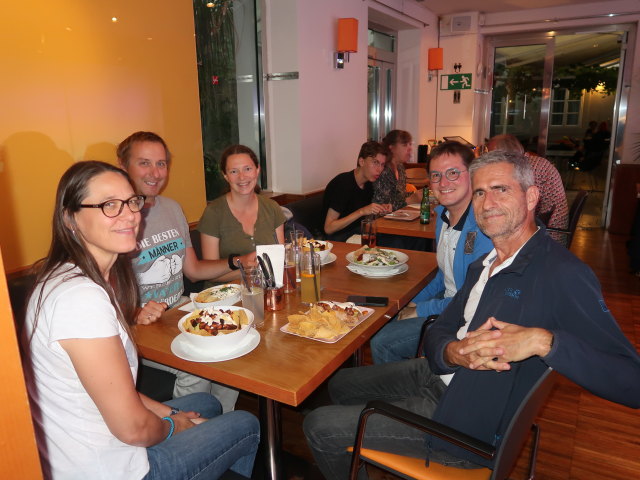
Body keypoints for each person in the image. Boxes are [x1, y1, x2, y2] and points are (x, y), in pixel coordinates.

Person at [303, 151, 640, 478]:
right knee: (341, 383)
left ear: (532, 196)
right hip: (445, 375)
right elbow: (444, 326)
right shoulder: (486, 263)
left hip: (462, 426)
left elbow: (631, 382)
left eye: (501, 189)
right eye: (480, 191)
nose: (487, 202)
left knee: (317, 425)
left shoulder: (560, 274)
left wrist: (545, 341)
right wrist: (451, 352)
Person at [21, 161, 259, 480]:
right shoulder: (79, 300)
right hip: (111, 469)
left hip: (103, 438)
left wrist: (170, 413)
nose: (131, 214)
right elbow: (133, 429)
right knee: (246, 424)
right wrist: (174, 424)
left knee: (206, 403)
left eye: (132, 201)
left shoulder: (74, 277)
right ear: (70, 218)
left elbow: (116, 392)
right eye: (109, 205)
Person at [119, 132, 255, 410]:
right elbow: (100, 292)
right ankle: (188, 431)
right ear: (123, 167)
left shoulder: (172, 209)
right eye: (144, 163)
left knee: (236, 342)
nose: (155, 173)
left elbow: (192, 271)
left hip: (178, 309)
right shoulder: (116, 220)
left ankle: (218, 425)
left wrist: (237, 261)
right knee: (196, 368)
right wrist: (132, 311)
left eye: (161, 164)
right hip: (137, 326)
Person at [369, 141, 492, 364]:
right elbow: (443, 277)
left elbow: (471, 298)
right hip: (448, 301)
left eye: (453, 173)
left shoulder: (483, 229)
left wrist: (420, 310)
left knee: (381, 341)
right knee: (386, 314)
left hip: (466, 317)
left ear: (472, 175)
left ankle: (408, 392)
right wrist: (410, 303)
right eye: (436, 175)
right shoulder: (442, 216)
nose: (443, 182)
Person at [198, 144, 285, 286]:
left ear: (257, 170)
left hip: (266, 290)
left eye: (248, 169)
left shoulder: (272, 208)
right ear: (225, 176)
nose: (242, 177)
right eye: (233, 171)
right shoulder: (213, 213)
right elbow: (210, 274)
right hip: (225, 298)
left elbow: (279, 258)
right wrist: (251, 271)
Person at [487, 134, 569, 246]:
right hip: (547, 227)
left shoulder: (526, 169)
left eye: (490, 154)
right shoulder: (532, 162)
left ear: (504, 153)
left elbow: (519, 208)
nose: (488, 160)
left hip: (548, 235)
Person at [322, 141, 391, 242]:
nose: (379, 169)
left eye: (382, 164)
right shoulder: (343, 183)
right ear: (361, 162)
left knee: (400, 239)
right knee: (393, 243)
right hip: (338, 238)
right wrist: (362, 211)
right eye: (375, 162)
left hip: (357, 232)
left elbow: (364, 218)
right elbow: (328, 228)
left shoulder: (368, 183)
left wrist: (379, 211)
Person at [373, 130, 423, 211]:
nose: (409, 148)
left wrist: (417, 194)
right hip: (380, 220)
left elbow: (399, 196)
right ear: (391, 147)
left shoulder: (400, 167)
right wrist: (410, 200)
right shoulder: (383, 169)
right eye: (404, 145)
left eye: (410, 144)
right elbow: (382, 205)